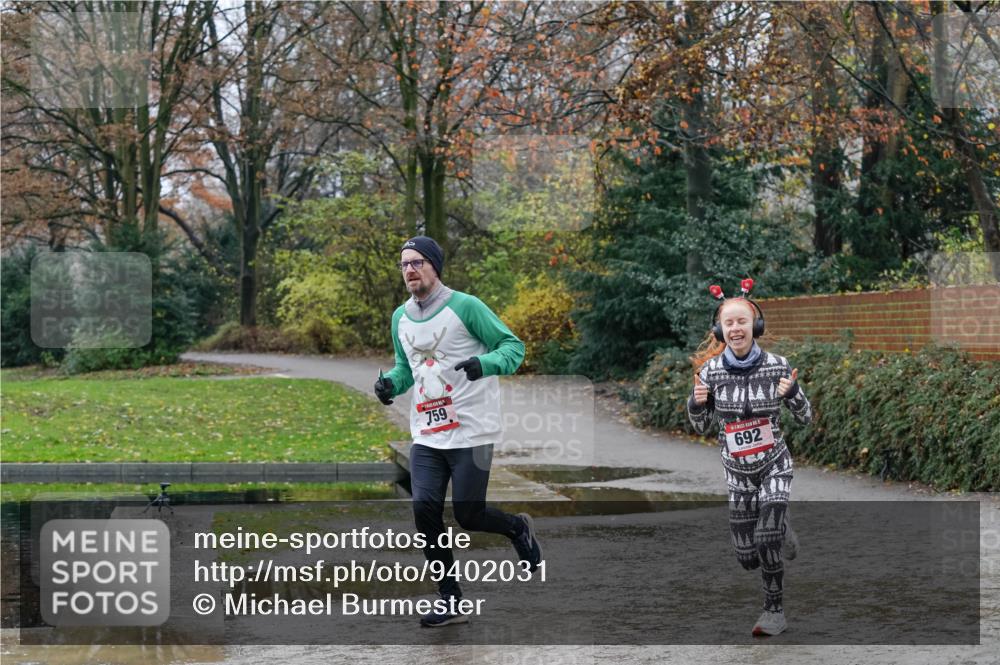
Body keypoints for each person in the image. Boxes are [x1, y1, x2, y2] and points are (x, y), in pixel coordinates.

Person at [373, 235, 542, 627]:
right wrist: (389, 386)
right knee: (423, 509)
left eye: (417, 262)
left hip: (473, 431)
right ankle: (450, 599)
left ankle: (518, 527)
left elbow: (513, 348)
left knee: (469, 514)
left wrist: (484, 364)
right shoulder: (400, 317)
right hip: (428, 434)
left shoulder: (466, 307)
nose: (410, 270)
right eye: (404, 265)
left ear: (434, 266)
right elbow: (406, 369)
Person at [686, 278, 812, 637]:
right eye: (729, 323)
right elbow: (700, 426)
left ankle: (774, 612)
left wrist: (794, 394)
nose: (736, 328)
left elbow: (805, 417)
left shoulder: (777, 366)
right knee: (747, 556)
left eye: (742, 321)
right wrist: (696, 403)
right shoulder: (710, 373)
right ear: (720, 330)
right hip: (737, 473)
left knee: (766, 537)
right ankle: (781, 530)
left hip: (774, 464)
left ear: (755, 326)